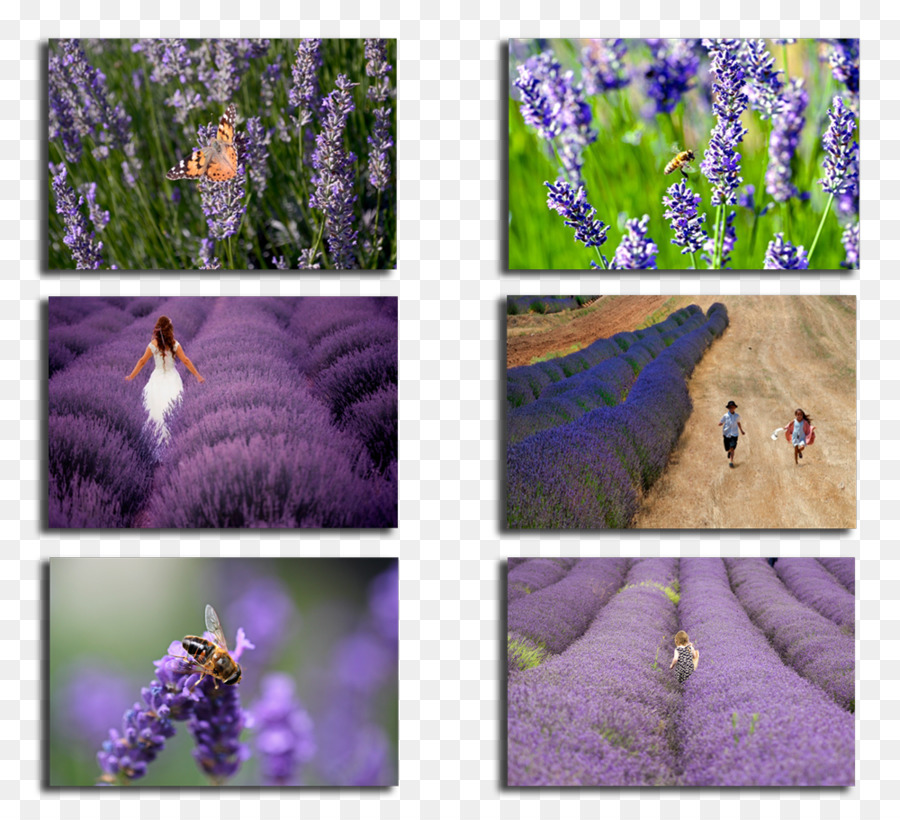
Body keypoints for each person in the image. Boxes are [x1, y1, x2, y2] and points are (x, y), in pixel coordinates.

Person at [126, 315, 204, 442]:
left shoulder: (153, 344)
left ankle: (154, 439)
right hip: (172, 377)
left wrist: (131, 376)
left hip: (157, 378)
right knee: (172, 406)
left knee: (155, 408)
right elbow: (185, 360)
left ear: (158, 328)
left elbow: (141, 361)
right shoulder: (175, 344)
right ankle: (174, 439)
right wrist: (198, 376)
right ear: (170, 329)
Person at [718, 400, 745, 468]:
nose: (731, 408)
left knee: (733, 447)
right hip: (726, 434)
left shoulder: (737, 416)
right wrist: (720, 424)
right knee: (727, 448)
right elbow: (721, 422)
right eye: (730, 407)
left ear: (735, 408)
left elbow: (738, 423)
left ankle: (731, 461)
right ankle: (729, 451)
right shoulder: (725, 415)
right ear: (728, 408)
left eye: (732, 407)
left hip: (734, 434)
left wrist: (741, 430)